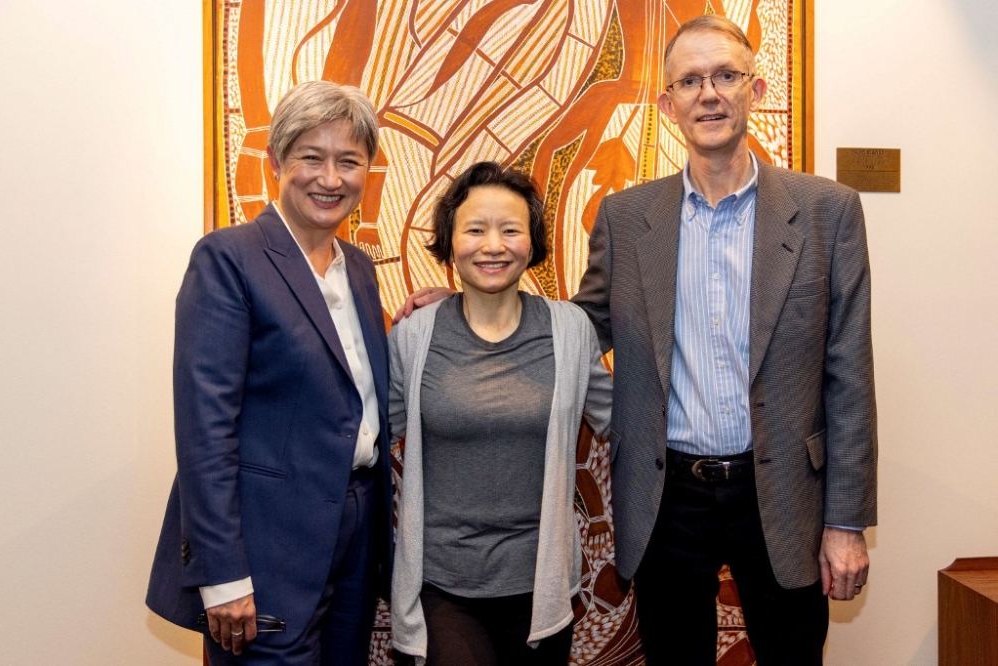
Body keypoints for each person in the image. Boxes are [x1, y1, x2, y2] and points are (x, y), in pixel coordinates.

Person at [398, 15, 877, 665]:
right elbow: (580, 324)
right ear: (668, 104)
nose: (709, 93)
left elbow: (849, 374)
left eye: (726, 76)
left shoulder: (828, 211)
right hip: (667, 496)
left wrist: (846, 524)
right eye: (689, 81)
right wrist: (472, 307)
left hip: (787, 495)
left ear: (755, 89)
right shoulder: (627, 217)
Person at [146, 80, 393, 666]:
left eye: (349, 162)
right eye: (312, 157)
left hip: (355, 530)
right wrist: (223, 575)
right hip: (266, 544)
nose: (330, 179)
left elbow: (348, 389)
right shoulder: (229, 258)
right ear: (277, 161)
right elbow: (205, 432)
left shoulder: (357, 268)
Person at [388, 162, 612, 666]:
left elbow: (619, 421)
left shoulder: (571, 330)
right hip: (440, 583)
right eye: (475, 229)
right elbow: (370, 438)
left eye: (510, 229)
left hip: (542, 586)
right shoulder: (414, 336)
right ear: (449, 242)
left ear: (531, 243)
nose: (493, 245)